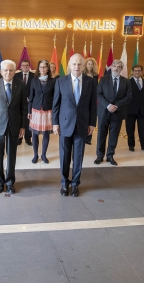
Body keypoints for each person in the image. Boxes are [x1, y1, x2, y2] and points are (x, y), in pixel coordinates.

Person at [53, 54, 97, 197]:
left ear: (83, 66)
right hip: (65, 124)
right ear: (69, 66)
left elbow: (92, 105)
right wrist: (55, 123)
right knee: (65, 156)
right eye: (74, 64)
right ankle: (64, 183)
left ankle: (75, 183)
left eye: (79, 64)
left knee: (78, 156)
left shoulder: (90, 82)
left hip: (82, 125)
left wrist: (92, 123)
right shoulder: (61, 81)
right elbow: (56, 105)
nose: (77, 67)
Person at [0, 59, 27, 194]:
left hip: (14, 125)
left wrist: (22, 126)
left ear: (15, 72)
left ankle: (10, 182)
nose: (8, 72)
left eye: (11, 70)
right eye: (6, 70)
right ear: (1, 71)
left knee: (11, 155)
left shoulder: (20, 85)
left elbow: (24, 107)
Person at [95, 60, 132, 166]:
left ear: (121, 69)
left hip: (118, 112)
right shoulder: (103, 79)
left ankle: (110, 155)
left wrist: (116, 106)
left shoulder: (126, 81)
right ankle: (100, 155)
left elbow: (129, 97)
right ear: (111, 67)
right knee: (101, 135)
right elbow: (98, 94)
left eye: (119, 67)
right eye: (114, 66)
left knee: (114, 135)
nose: (116, 68)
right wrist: (108, 105)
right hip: (104, 112)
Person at [28, 59, 55, 164]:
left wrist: (54, 111)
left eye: (44, 67)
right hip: (36, 110)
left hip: (48, 110)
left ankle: (43, 155)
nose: (42, 69)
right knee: (34, 134)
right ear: (38, 68)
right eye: (41, 67)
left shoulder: (53, 81)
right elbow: (31, 96)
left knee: (46, 134)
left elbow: (55, 97)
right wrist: (29, 111)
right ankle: (35, 155)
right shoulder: (34, 81)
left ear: (48, 68)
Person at [125, 65, 144, 153]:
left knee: (143, 129)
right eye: (135, 71)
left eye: (139, 71)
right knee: (130, 129)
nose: (137, 72)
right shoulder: (127, 82)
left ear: (141, 72)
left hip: (143, 110)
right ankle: (131, 145)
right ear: (132, 72)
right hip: (130, 110)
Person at [14, 59, 33, 146]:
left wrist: (30, 98)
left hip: (30, 101)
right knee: (19, 119)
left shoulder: (34, 76)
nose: (25, 67)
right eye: (23, 65)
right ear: (20, 67)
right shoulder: (16, 75)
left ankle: (28, 138)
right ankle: (19, 138)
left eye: (27, 65)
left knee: (29, 120)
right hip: (18, 101)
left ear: (29, 66)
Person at [83, 57, 99, 145]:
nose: (90, 65)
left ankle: (88, 138)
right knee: (85, 117)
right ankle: (83, 135)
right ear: (86, 65)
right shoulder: (83, 74)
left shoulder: (95, 75)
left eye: (92, 64)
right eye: (89, 64)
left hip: (93, 97)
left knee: (92, 116)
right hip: (84, 98)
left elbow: (96, 87)